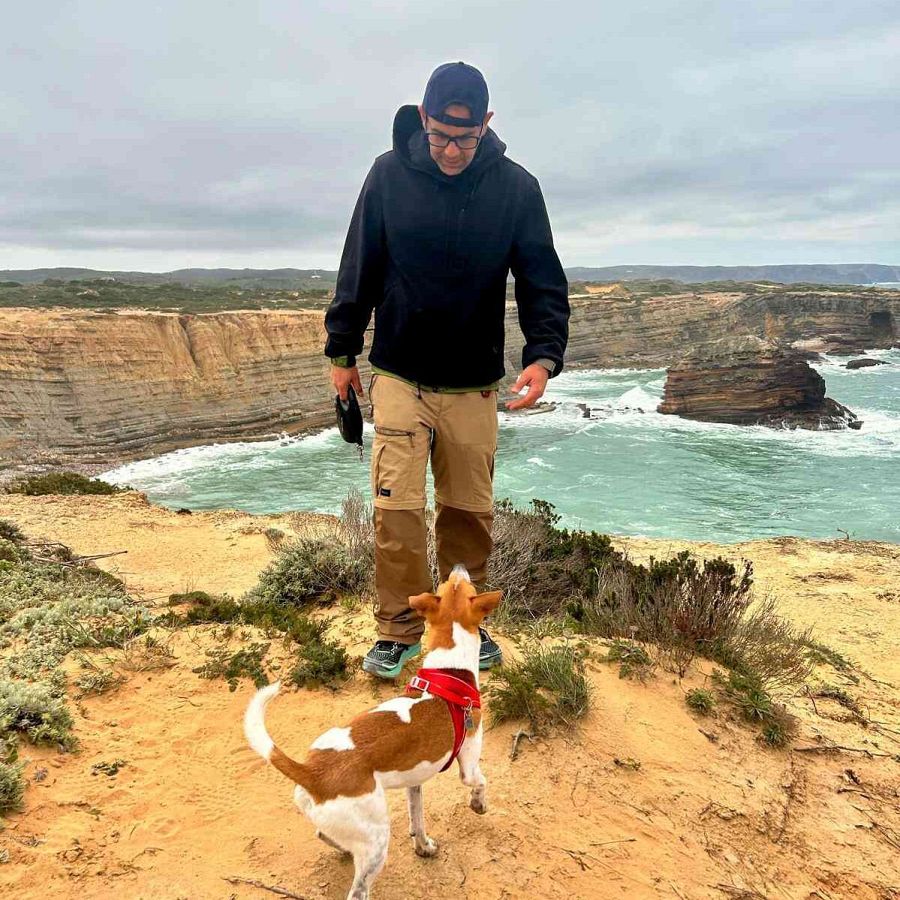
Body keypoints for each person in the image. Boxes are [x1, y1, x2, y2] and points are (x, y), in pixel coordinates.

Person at [324, 61, 569, 678]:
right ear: (424, 119)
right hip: (400, 371)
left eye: (465, 137)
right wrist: (341, 352)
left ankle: (461, 626)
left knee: (466, 514)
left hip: (474, 381)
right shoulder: (387, 175)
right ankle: (398, 630)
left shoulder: (517, 189)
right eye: (440, 136)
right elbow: (360, 264)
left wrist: (543, 356)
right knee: (397, 513)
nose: (452, 149)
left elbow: (540, 278)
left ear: (487, 123)